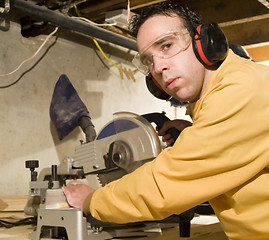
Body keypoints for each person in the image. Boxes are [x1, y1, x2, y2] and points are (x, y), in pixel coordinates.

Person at [62, 1, 269, 239]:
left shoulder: (241, 90)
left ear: (203, 42)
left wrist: (91, 200)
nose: (158, 67)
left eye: (167, 45)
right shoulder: (225, 90)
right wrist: (195, 130)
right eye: (148, 60)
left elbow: (163, 187)